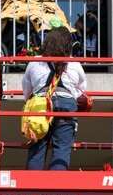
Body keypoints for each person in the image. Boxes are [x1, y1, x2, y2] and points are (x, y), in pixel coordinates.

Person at [22, 27, 87, 170]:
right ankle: (56, 186)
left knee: (37, 147)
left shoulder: (35, 62)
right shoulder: (74, 64)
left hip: (40, 104)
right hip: (66, 104)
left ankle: (32, 185)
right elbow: (82, 90)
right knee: (62, 149)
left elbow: (26, 93)